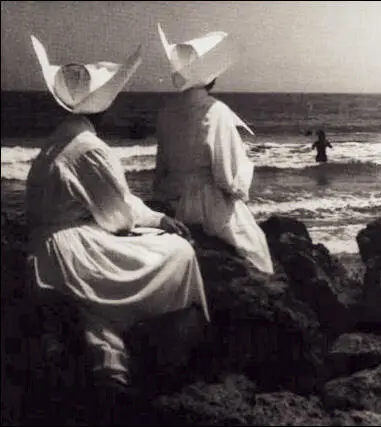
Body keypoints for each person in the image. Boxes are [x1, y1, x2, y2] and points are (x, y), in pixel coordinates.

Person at [26, 35, 210, 409]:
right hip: (72, 254)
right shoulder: (90, 147)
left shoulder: (55, 141)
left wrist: (150, 216)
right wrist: (160, 221)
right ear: (103, 107)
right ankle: (175, 351)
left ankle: (110, 366)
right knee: (178, 251)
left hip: (44, 251)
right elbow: (117, 213)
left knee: (98, 310)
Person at [153, 24, 274, 275]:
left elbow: (161, 168)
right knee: (257, 248)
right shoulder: (215, 111)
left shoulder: (165, 112)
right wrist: (241, 184)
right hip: (208, 206)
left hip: (174, 201)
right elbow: (227, 177)